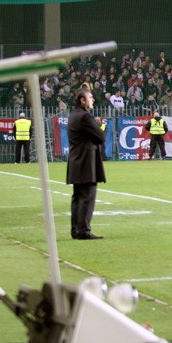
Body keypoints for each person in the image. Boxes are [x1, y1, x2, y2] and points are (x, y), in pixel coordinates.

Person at [67, 88, 106, 240]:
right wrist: (97, 125)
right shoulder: (85, 116)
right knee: (87, 196)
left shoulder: (73, 115)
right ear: (82, 100)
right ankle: (83, 230)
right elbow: (100, 137)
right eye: (90, 97)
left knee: (77, 197)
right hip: (86, 161)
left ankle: (76, 230)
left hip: (76, 160)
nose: (93, 99)